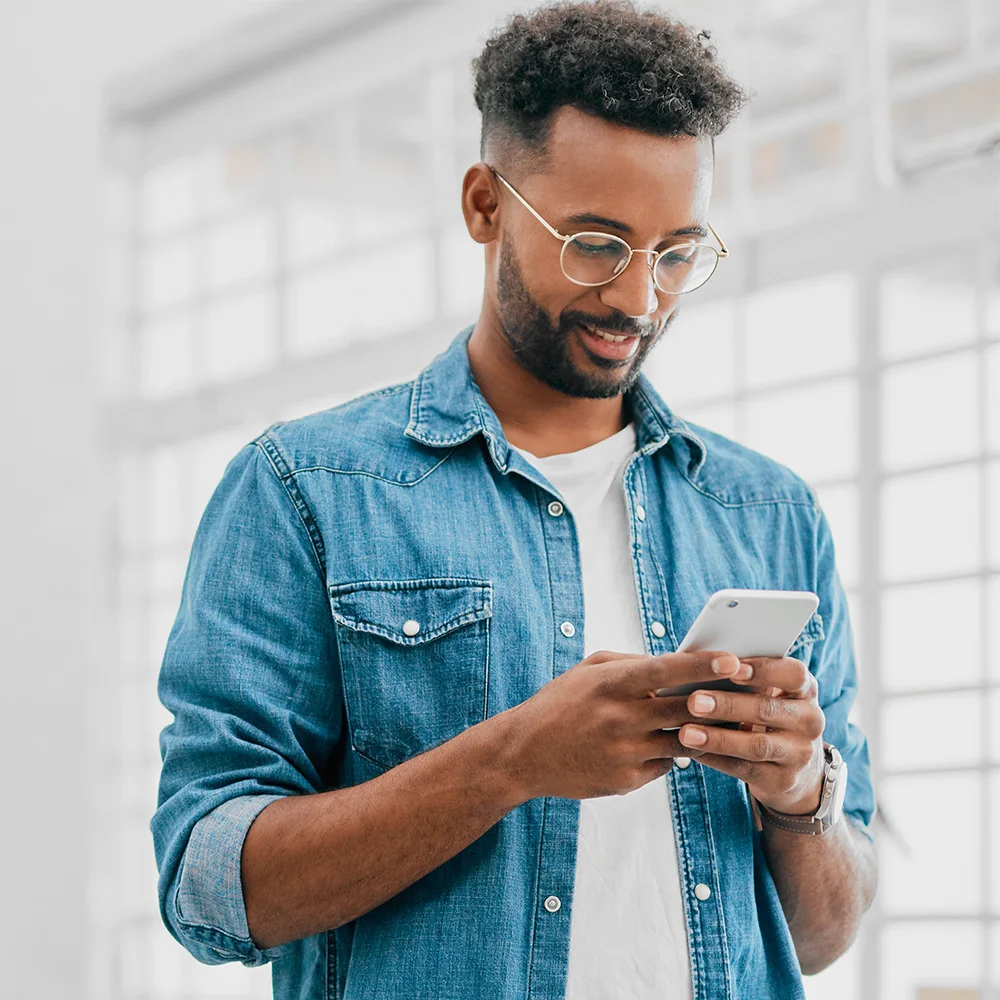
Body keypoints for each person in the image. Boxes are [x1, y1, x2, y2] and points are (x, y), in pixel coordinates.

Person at [152, 3, 877, 998]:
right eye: (594, 244)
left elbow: (823, 933)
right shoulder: (305, 489)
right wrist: (510, 759)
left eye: (675, 254)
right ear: (485, 204)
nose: (638, 300)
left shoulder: (768, 515)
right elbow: (207, 887)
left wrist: (798, 797)